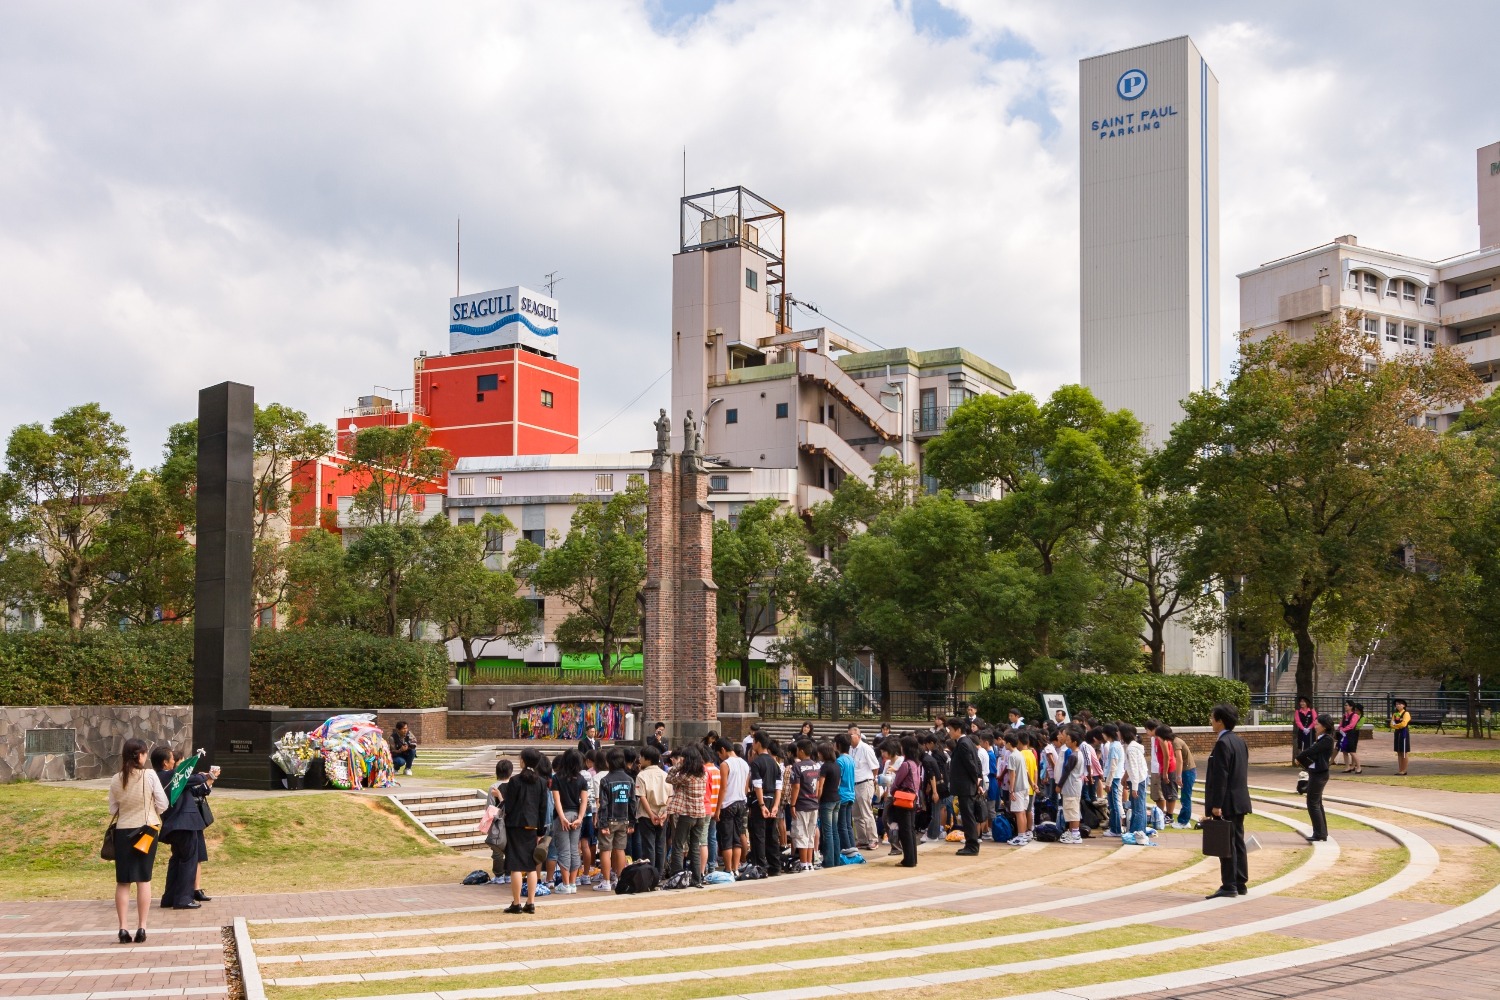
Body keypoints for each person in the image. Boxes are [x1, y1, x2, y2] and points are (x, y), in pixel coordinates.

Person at [109, 739, 168, 943]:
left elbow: (112, 809)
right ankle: (142, 927)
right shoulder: (149, 775)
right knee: (144, 879)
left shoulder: (116, 779)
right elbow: (163, 803)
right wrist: (152, 809)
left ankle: (123, 928)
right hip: (146, 831)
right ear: (141, 755)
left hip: (123, 831)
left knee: (123, 881)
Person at [155, 747, 214, 910]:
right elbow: (191, 777)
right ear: (165, 763)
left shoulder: (157, 778)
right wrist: (205, 775)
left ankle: (169, 897)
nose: (174, 762)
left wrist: (205, 779)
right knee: (189, 860)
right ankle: (183, 899)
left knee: (176, 860)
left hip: (172, 824)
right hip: (184, 824)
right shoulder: (171, 776)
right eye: (171, 760)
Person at [1204, 703, 1252, 899]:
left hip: (1227, 802)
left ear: (1220, 720)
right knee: (1238, 841)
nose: (1210, 721)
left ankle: (1229, 884)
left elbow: (1221, 777)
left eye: (1212, 717)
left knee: (1227, 843)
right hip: (1240, 799)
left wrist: (1216, 805)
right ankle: (1240, 882)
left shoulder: (1223, 744)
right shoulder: (1240, 742)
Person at [502, 748, 548, 914]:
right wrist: (541, 831)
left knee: (515, 865)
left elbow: (510, 805)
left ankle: (516, 903)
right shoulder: (542, 782)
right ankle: (531, 902)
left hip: (515, 825)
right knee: (531, 865)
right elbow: (543, 808)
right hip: (533, 826)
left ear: (523, 761)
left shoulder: (515, 781)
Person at [666, 746, 710, 885]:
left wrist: (678, 765)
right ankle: (697, 879)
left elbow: (669, 778)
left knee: (678, 845)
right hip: (701, 814)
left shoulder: (685, 776)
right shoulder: (704, 774)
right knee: (695, 847)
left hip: (687, 814)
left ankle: (678, 877)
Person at [549, 749, 590, 893]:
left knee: (563, 850)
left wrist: (561, 817)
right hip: (576, 816)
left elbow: (557, 801)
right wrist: (580, 817)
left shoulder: (556, 778)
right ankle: (572, 883)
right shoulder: (581, 779)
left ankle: (565, 884)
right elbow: (584, 801)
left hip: (563, 817)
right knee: (574, 849)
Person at [595, 749, 635, 891]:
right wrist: (632, 822)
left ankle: (606, 882)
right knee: (620, 849)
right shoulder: (629, 780)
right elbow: (632, 803)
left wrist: (603, 823)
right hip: (624, 819)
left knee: (605, 850)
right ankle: (619, 880)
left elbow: (603, 804)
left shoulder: (605, 780)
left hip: (609, 819)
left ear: (609, 762)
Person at [1294, 713, 1336, 842]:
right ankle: (1321, 832)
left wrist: (1299, 758)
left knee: (1312, 803)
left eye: (1317, 724)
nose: (1315, 726)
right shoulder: (1322, 738)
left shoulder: (1327, 739)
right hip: (1316, 772)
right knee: (1316, 803)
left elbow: (1311, 751)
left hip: (1320, 774)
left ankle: (1319, 833)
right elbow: (1314, 754)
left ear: (1324, 726)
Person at [747, 732, 782, 874]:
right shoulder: (775, 763)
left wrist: (761, 805)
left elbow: (757, 785)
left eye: (754, 741)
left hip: (760, 800)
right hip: (773, 799)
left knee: (759, 835)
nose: (753, 744)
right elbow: (778, 787)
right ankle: (775, 865)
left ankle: (761, 866)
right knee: (772, 835)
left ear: (758, 743)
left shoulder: (756, 762)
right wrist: (775, 806)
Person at [946, 719, 981, 855]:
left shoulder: (963, 744)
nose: (949, 732)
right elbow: (976, 762)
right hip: (967, 785)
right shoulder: (967, 742)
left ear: (958, 730)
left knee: (968, 816)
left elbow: (971, 765)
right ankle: (970, 844)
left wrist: (975, 781)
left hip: (966, 786)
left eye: (950, 729)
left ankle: (972, 846)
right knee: (967, 815)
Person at [715, 739, 750, 874]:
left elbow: (723, 788)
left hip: (728, 804)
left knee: (726, 839)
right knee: (737, 838)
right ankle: (736, 868)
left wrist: (718, 809)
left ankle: (728, 868)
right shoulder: (744, 763)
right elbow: (746, 787)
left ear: (723, 750)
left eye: (719, 753)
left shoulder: (725, 764)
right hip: (742, 802)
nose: (719, 756)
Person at [634, 745, 670, 874]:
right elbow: (671, 795)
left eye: (641, 757)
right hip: (662, 815)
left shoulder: (642, 775)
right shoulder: (665, 774)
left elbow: (642, 797)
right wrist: (665, 812)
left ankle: (651, 874)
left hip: (646, 814)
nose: (639, 759)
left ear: (647, 760)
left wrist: (650, 814)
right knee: (660, 845)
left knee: (649, 846)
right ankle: (659, 874)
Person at [888, 736, 922, 867]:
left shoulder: (905, 764)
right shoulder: (916, 764)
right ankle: (912, 858)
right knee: (910, 829)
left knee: (905, 830)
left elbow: (896, 784)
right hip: (913, 798)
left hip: (903, 799)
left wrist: (892, 791)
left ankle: (908, 859)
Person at [847, 725, 880, 849]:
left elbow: (875, 766)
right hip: (853, 784)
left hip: (864, 782)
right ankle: (862, 839)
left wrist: (873, 780)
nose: (849, 737)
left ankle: (873, 839)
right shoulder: (850, 749)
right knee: (856, 814)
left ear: (858, 736)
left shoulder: (866, 748)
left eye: (851, 735)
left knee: (866, 812)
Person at [814, 742, 843, 869]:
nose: (818, 755)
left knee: (827, 832)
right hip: (836, 799)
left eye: (819, 753)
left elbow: (820, 787)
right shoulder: (837, 766)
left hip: (827, 801)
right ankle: (836, 859)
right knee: (834, 831)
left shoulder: (825, 767)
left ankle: (829, 861)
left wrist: (817, 800)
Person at [1120, 723, 1150, 842]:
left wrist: (1135, 788)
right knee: (1138, 807)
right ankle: (1137, 832)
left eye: (1119, 732)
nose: (1118, 734)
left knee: (1138, 808)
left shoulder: (1131, 749)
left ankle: (1137, 833)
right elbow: (1131, 767)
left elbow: (1134, 768)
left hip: (1138, 779)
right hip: (1138, 778)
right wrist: (1125, 778)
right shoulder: (1131, 747)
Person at [1057, 725, 1086, 844]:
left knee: (1072, 810)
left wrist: (1059, 785)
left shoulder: (1074, 756)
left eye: (1068, 740)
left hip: (1071, 786)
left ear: (1074, 742)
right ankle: (1072, 831)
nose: (1066, 742)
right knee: (1071, 810)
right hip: (1074, 786)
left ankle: (1075, 833)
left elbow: (1066, 772)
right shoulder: (1077, 754)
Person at [487, 759, 514, 880]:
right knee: (510, 847)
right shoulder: (514, 784)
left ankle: (498, 875)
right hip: (512, 821)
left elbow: (490, 807)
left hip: (498, 822)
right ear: (510, 772)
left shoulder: (493, 787)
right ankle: (509, 874)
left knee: (497, 848)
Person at [833, 734, 858, 859]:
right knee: (848, 825)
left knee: (842, 825)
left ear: (837, 745)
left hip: (842, 795)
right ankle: (853, 849)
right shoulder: (851, 759)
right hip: (850, 794)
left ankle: (848, 850)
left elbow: (837, 780)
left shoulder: (839, 761)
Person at [1172, 728, 1197, 829]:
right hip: (1188, 771)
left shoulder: (1176, 742)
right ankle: (1184, 821)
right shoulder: (1177, 740)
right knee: (1185, 796)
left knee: (1185, 797)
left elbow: (1179, 760)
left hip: (1187, 772)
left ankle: (1184, 822)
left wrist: (1178, 776)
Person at [1339, 700, 1364, 774]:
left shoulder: (1355, 715)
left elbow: (1352, 725)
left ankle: (1359, 767)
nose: (1345, 706)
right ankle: (1347, 767)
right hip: (1343, 734)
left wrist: (1344, 729)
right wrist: (1340, 728)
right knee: (1344, 751)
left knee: (1352, 751)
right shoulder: (1344, 715)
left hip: (1351, 734)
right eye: (1345, 705)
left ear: (1351, 707)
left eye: (1347, 705)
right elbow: (1341, 723)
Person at [1391, 699, 1412, 776]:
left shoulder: (1406, 713)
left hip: (1404, 733)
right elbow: (1391, 723)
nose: (1398, 705)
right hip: (1397, 733)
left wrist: (1396, 725)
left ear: (1404, 705)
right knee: (1399, 751)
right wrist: (1396, 726)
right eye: (1396, 704)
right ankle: (1400, 769)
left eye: (1400, 704)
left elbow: (1404, 724)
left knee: (1404, 751)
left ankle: (1404, 769)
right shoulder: (1395, 714)